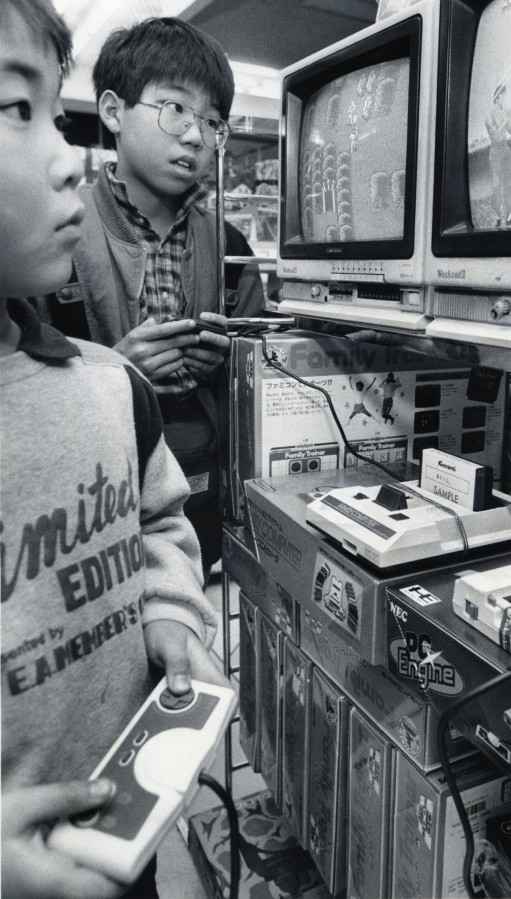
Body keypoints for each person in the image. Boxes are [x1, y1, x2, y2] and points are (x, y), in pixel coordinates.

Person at [0, 2, 229, 896]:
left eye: (213, 122)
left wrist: (169, 611)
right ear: (120, 110)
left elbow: (153, 518)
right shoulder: (77, 279)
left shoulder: (99, 389)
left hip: (115, 816)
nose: (64, 156)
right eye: (16, 113)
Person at [36, 17, 266, 580]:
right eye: (175, 109)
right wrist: (116, 369)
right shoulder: (52, 236)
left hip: (203, 488)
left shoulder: (231, 247)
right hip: (91, 499)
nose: (194, 135)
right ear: (114, 111)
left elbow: (268, 372)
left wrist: (229, 362)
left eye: (213, 121)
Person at [485, 83, 511, 228]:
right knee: (496, 185)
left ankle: (510, 217)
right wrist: (506, 119)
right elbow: (494, 135)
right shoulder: (489, 116)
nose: (506, 98)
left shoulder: (506, 111)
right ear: (497, 98)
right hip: (495, 153)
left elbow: (510, 130)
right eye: (503, 96)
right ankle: (499, 218)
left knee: (510, 183)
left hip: (506, 150)